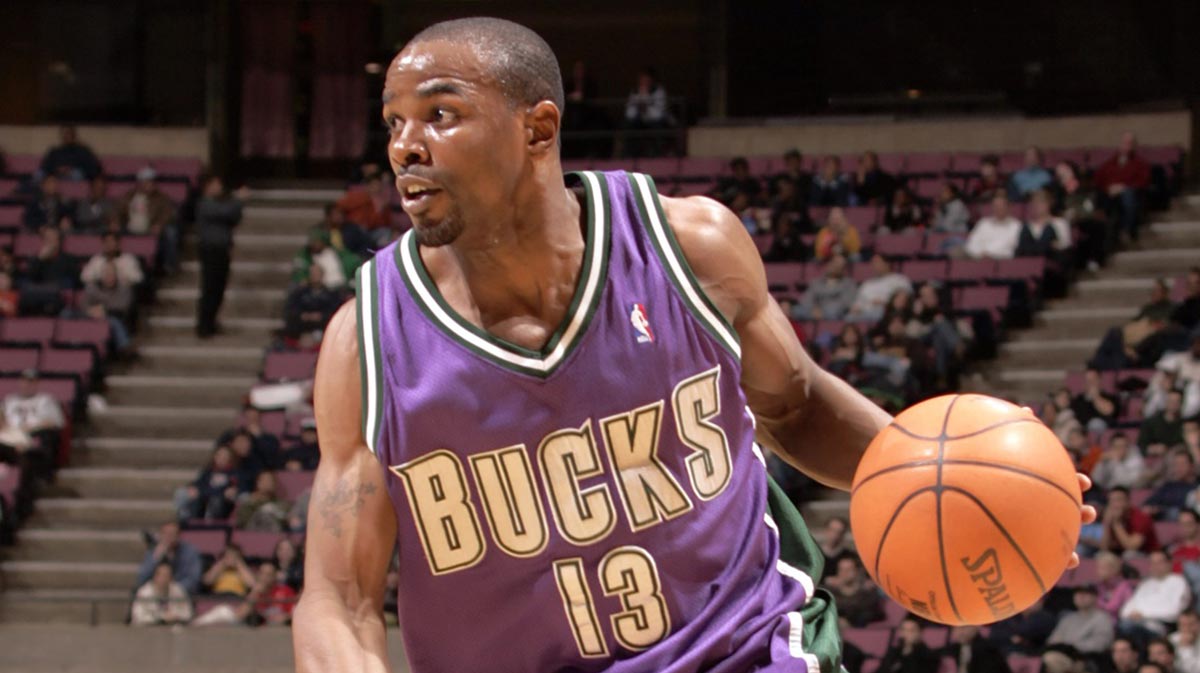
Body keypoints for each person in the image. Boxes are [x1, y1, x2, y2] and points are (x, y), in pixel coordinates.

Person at [293, 17, 1075, 673]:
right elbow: (340, 596)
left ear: (537, 128)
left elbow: (795, 404)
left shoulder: (687, 246)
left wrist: (975, 483)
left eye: (439, 114)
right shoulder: (366, 344)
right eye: (393, 122)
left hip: (739, 649)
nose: (405, 146)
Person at [195, 175, 248, 338]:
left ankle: (212, 322)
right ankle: (204, 325)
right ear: (207, 186)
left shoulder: (221, 204)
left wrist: (237, 203)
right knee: (210, 288)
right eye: (216, 184)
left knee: (219, 288)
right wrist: (237, 199)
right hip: (210, 251)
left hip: (222, 250)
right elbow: (225, 212)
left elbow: (233, 217)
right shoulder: (205, 204)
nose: (220, 187)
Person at [2, 370, 66, 480]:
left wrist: (30, 430)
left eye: (31, 382)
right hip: (10, 437)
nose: (27, 385)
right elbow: (2, 422)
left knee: (43, 439)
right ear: (20, 382)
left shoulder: (46, 400)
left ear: (37, 384)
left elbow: (56, 423)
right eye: (24, 381)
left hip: (35, 435)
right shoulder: (9, 400)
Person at [1094, 132, 1151, 243]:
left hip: (1130, 194)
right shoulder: (1110, 163)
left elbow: (1143, 181)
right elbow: (1099, 179)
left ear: (1134, 146)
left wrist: (1123, 187)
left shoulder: (1140, 163)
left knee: (1128, 195)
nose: (1126, 146)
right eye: (1124, 143)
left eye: (1129, 143)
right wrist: (1109, 188)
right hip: (1109, 194)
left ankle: (1126, 230)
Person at [1119, 551, 1191, 639]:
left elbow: (1174, 612)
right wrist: (1131, 614)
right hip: (1137, 623)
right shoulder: (1146, 584)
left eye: (1159, 562)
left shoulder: (1178, 582)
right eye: (1153, 563)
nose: (1156, 566)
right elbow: (1126, 610)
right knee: (1124, 626)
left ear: (1169, 564)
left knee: (1130, 629)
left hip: (1162, 626)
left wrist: (1144, 614)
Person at [117, 167, 178, 270]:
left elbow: (169, 213)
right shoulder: (129, 196)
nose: (151, 184)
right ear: (140, 183)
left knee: (170, 232)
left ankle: (168, 265)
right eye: (147, 181)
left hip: (150, 228)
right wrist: (115, 221)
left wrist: (159, 224)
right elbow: (118, 210)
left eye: (152, 181)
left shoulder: (161, 197)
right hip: (130, 228)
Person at [1055, 160, 1110, 272]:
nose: (1062, 175)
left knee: (1096, 226)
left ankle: (1094, 259)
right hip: (1065, 221)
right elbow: (1055, 210)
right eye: (1059, 172)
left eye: (1065, 171)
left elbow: (1095, 206)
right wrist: (1065, 214)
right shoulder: (1057, 191)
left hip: (1085, 220)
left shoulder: (1085, 187)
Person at [135, 521, 203, 594]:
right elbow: (141, 579)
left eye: (172, 534)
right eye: (166, 534)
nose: (169, 537)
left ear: (178, 536)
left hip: (181, 593)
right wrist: (155, 559)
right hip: (156, 592)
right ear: (160, 535)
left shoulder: (190, 552)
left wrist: (173, 590)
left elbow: (193, 580)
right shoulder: (154, 551)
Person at [1047, 585, 1116, 656]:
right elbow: (1052, 642)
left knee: (1051, 658)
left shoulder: (1102, 618)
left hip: (1087, 659)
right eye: (1078, 593)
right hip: (1064, 656)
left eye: (1086, 593)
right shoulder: (1067, 619)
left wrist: (1072, 648)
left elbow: (1101, 644)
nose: (1081, 596)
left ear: (1095, 597)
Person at [284, 264, 343, 344]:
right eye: (313, 273)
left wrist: (321, 316)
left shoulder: (331, 295)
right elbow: (292, 309)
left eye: (317, 273)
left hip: (323, 326)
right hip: (302, 326)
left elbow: (335, 311)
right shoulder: (299, 294)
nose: (315, 276)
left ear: (322, 275)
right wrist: (303, 315)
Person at [820, 554, 882, 627]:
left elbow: (869, 615)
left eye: (848, 570)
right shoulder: (829, 593)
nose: (844, 573)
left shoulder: (868, 595)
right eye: (841, 570)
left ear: (857, 571)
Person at [848, 254, 913, 322]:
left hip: (887, 312)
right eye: (873, 263)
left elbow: (906, 300)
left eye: (877, 262)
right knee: (849, 317)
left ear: (887, 264)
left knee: (879, 312)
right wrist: (855, 308)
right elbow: (858, 303)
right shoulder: (867, 284)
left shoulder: (900, 280)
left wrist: (885, 303)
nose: (875, 266)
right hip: (865, 313)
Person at [622, 67, 671, 157]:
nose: (644, 83)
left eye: (647, 81)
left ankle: (659, 155)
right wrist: (639, 103)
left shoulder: (659, 91)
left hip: (655, 122)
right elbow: (629, 114)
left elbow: (658, 115)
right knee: (628, 125)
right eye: (642, 81)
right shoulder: (635, 92)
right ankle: (628, 156)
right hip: (639, 122)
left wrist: (646, 103)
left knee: (658, 127)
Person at [793, 254, 857, 321]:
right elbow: (806, 299)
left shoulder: (849, 284)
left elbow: (846, 303)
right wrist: (814, 309)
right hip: (813, 311)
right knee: (796, 310)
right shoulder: (816, 283)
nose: (834, 266)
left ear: (843, 269)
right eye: (833, 263)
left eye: (839, 264)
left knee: (833, 312)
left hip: (834, 313)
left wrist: (822, 310)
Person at [336, 174, 393, 247]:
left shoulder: (382, 202)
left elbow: (383, 224)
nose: (377, 188)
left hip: (369, 232)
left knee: (386, 232)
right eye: (374, 185)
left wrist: (379, 210)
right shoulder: (357, 197)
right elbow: (339, 206)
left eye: (379, 185)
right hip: (352, 229)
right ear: (367, 186)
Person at [130, 562, 194, 626]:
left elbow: (188, 613)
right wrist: (162, 618)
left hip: (174, 628)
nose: (164, 579)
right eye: (162, 575)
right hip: (149, 630)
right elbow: (139, 617)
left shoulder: (178, 590)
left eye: (167, 575)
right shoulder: (144, 593)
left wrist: (176, 616)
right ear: (155, 576)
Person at [1101, 487, 1160, 555]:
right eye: (1112, 501)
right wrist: (1107, 524)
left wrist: (1116, 523)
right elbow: (1104, 547)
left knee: (1129, 554)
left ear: (1128, 501)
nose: (1115, 505)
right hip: (1120, 553)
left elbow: (1132, 546)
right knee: (1102, 555)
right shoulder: (1110, 517)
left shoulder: (1141, 518)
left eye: (1118, 500)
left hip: (1147, 554)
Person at [964, 193, 1022, 260]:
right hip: (977, 259)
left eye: (1001, 206)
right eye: (995, 206)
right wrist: (980, 254)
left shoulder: (1017, 226)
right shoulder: (983, 223)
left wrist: (991, 254)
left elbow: (1012, 249)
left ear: (1008, 207)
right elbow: (971, 243)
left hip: (1002, 261)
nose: (997, 208)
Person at [1017, 189, 1071, 258]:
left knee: (1048, 230)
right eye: (1034, 203)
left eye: (1040, 202)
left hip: (1052, 257)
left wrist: (1053, 245)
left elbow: (1066, 245)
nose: (1037, 206)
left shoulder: (1060, 222)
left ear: (1049, 203)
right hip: (1030, 259)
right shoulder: (1027, 226)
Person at [1144, 450, 1195, 520]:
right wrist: (1151, 509)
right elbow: (1148, 504)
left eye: (1182, 464)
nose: (1179, 468)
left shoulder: (1197, 486)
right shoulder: (1168, 486)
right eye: (1176, 464)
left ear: (1192, 466)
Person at [947, 625, 1011, 673]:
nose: (960, 632)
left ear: (976, 627)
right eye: (955, 628)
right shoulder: (947, 652)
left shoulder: (989, 650)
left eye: (964, 627)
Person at [1140, 391, 1188, 455]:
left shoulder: (1186, 424)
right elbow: (1141, 446)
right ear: (1166, 402)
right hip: (1156, 458)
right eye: (1171, 401)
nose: (1174, 404)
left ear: (1181, 403)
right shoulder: (1150, 423)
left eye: (1177, 401)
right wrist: (1153, 449)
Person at [1096, 551, 1137, 620]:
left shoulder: (1124, 585)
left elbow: (1112, 608)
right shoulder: (1100, 585)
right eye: (1098, 568)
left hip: (1119, 621)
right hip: (1100, 619)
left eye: (1102, 568)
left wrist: (1094, 602)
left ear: (1114, 569)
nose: (1098, 571)